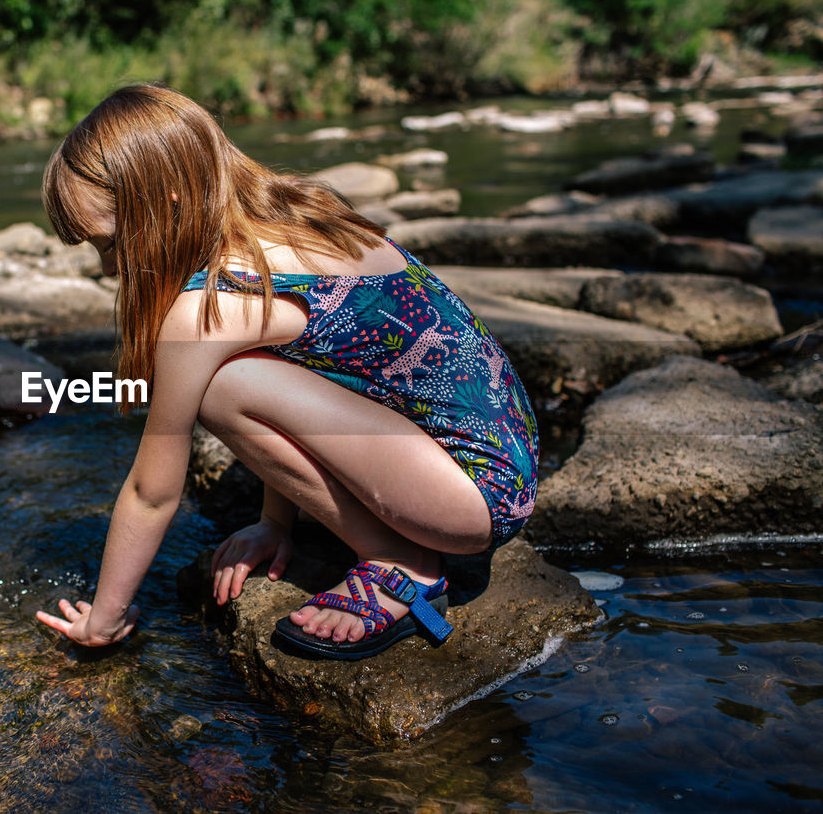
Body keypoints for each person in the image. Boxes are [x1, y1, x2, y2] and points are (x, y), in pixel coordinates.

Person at [35, 84, 538, 659]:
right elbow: (311, 371)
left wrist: (106, 619)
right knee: (239, 372)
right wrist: (279, 522)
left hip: (468, 501)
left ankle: (405, 565)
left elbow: (152, 492)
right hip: (504, 458)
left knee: (218, 389)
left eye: (109, 244)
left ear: (168, 205)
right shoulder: (298, 209)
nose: (106, 268)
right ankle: (393, 538)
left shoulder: (209, 307)